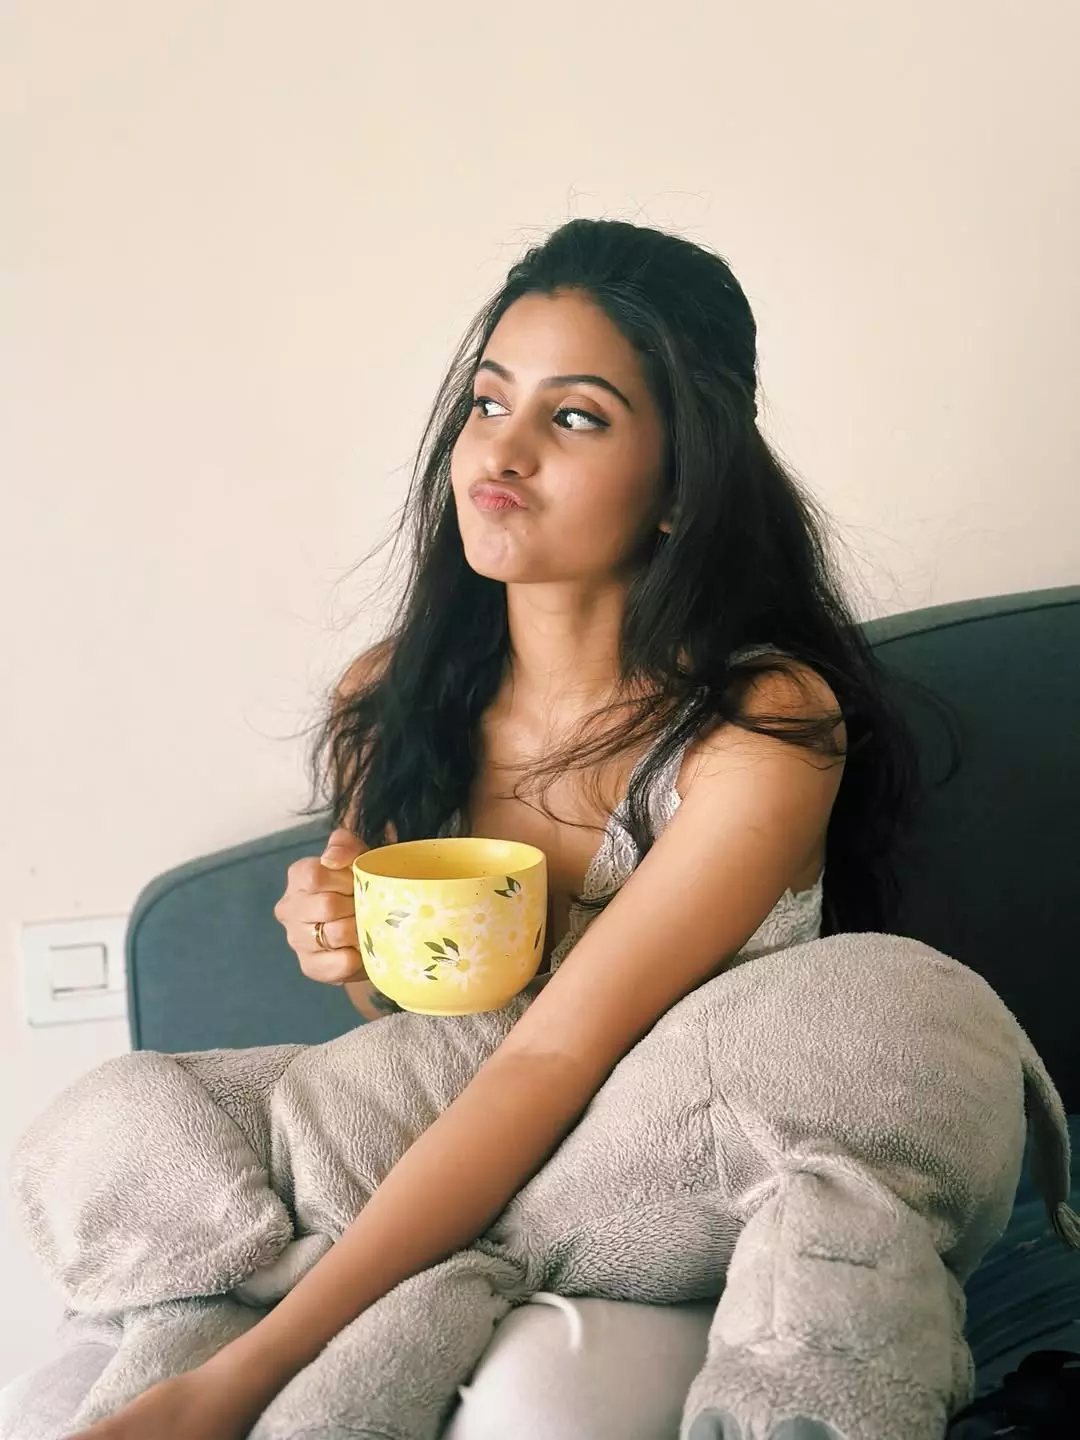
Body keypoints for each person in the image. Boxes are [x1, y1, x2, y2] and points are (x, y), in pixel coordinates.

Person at [71, 217, 920, 1439]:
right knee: (71, 1350)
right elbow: (426, 1037)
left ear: (683, 484)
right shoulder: (394, 693)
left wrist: (240, 1377)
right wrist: (351, 951)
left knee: (530, 1401)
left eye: (575, 417)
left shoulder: (760, 726)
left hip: (668, 1205)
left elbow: (551, 1058)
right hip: (464, 1164)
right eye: (488, 401)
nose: (502, 451)